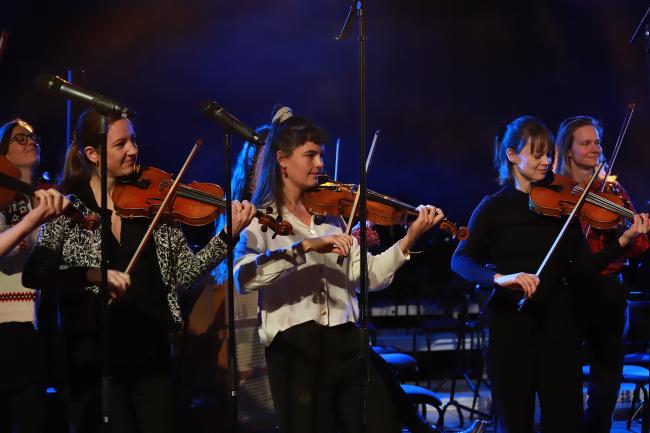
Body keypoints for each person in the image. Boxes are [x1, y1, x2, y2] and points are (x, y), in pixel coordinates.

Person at [21, 108, 255, 433]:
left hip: (151, 351)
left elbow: (184, 273)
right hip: (92, 353)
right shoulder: (70, 207)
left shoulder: (156, 202)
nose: (133, 150)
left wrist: (226, 237)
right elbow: (36, 272)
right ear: (93, 154)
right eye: (121, 144)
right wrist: (92, 275)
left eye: (133, 140)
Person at [234, 111, 452, 433]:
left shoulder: (331, 217)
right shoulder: (258, 222)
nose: (320, 163)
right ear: (282, 160)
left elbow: (370, 276)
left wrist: (409, 239)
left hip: (348, 342)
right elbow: (244, 278)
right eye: (310, 155)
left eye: (321, 154)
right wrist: (306, 248)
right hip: (296, 352)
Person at [450, 116, 649, 433]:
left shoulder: (563, 207)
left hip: (559, 325)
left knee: (564, 419)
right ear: (513, 155)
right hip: (510, 326)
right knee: (515, 420)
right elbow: (460, 259)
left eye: (549, 155)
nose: (546, 162)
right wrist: (498, 278)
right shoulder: (493, 207)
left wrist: (623, 241)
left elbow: (585, 267)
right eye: (538, 154)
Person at [554, 115, 649, 433]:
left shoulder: (613, 189)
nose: (596, 147)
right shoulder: (555, 190)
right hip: (566, 291)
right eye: (586, 142)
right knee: (560, 372)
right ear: (569, 151)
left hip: (608, 289)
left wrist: (631, 231)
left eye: (597, 141)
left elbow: (637, 250)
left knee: (606, 382)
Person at [0, 118, 70, 433]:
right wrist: (33, 220)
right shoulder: (4, 203)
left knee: (35, 419)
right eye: (20, 139)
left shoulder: (44, 196)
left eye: (33, 138)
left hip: (38, 324)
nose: (31, 142)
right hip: (4, 324)